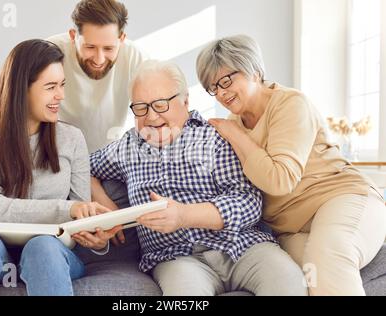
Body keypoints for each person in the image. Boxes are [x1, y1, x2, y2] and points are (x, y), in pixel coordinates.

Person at [89, 60, 308, 296]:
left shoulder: (216, 137)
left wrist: (184, 215)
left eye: (160, 105)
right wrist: (107, 205)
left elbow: (248, 202)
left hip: (242, 246)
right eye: (140, 107)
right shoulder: (127, 147)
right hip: (177, 258)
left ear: (185, 101)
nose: (151, 116)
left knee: (289, 282)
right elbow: (84, 167)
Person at [196, 34, 386, 296]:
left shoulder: (290, 104)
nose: (221, 93)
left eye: (226, 80)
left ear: (254, 70)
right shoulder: (232, 124)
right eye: (213, 87)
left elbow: (280, 179)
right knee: (305, 277)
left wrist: (236, 135)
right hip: (289, 229)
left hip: (342, 198)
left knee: (328, 256)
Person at [0, 39, 120, 296]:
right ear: (21, 90)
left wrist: (94, 236)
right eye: (50, 87)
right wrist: (68, 209)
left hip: (51, 252)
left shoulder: (71, 139)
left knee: (43, 247)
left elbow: (79, 218)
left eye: (62, 85)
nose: (60, 95)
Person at [47, 0, 146, 153]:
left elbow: (149, 113)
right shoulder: (51, 52)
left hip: (109, 154)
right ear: (73, 36)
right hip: (57, 152)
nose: (99, 59)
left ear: (121, 39)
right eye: (90, 47)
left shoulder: (133, 56)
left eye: (108, 48)